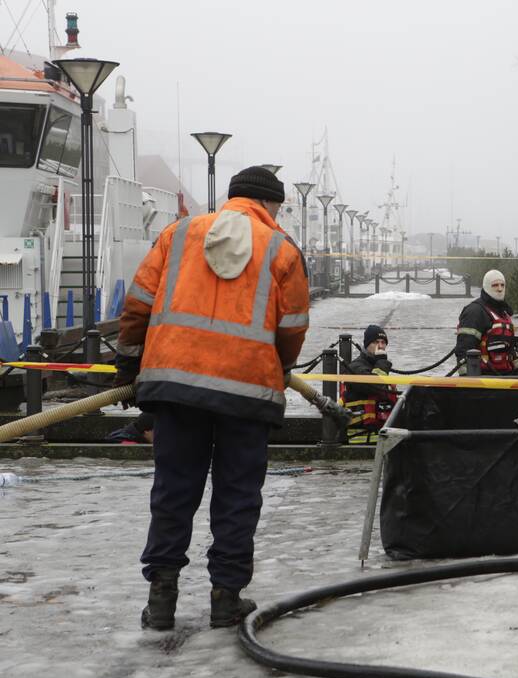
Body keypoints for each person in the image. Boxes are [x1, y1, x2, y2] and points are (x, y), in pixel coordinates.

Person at [113, 166, 310, 630]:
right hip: (247, 393)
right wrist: (276, 367)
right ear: (271, 205)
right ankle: (226, 597)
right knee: (238, 496)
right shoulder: (282, 249)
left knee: (173, 491)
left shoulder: (178, 234)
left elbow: (138, 303)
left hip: (176, 387)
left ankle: (161, 599)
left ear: (231, 197)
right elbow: (293, 326)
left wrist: (129, 362)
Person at [454, 268, 518, 375]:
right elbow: (464, 348)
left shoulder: (504, 313)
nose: (500, 289)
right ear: (486, 287)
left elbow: (510, 351)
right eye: (495, 285)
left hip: (506, 376)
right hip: (484, 378)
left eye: (502, 285)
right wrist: (466, 378)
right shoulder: (475, 312)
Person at [341, 324, 398, 444]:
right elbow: (374, 387)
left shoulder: (378, 366)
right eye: (376, 342)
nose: (381, 346)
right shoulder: (355, 368)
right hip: (360, 441)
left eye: (383, 342)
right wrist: (382, 362)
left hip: (381, 438)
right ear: (367, 345)